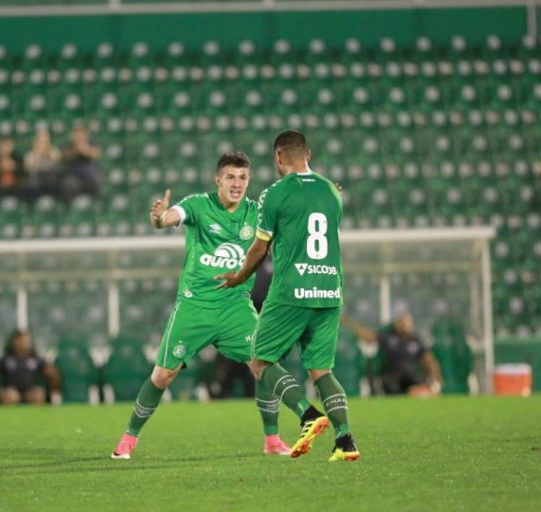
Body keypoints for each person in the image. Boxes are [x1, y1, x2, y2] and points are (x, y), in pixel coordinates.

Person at [111, 151, 292, 460]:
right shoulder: (198, 204)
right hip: (196, 306)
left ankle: (272, 439)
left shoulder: (257, 212)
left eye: (243, 178)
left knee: (264, 363)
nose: (237, 184)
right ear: (217, 179)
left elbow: (290, 223)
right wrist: (158, 216)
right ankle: (129, 437)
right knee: (162, 375)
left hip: (236, 305)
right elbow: (169, 218)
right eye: (230, 177)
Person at [216, 130, 360, 462]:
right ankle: (345, 441)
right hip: (329, 291)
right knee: (321, 371)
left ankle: (308, 416)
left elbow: (259, 248)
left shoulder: (275, 194)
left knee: (261, 361)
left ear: (279, 158)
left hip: (292, 291)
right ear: (307, 153)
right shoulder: (332, 191)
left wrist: (239, 276)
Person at [342, 312, 443, 396]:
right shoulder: (389, 337)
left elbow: (430, 361)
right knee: (393, 391)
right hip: (391, 378)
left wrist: (437, 380)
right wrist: (349, 323)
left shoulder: (416, 341)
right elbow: (369, 336)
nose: (404, 326)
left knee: (419, 390)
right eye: (401, 322)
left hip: (411, 377)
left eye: (406, 323)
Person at [0, 329, 60, 405]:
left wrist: (54, 393)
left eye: (27, 341)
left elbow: (51, 372)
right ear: (15, 342)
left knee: (37, 396)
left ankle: (36, 419)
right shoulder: (7, 358)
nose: (25, 344)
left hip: (30, 391)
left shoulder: (35, 358)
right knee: (10, 396)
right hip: (11, 391)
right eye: (22, 341)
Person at [61, 122, 102, 201]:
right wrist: (76, 149)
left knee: (97, 180)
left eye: (81, 132)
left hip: (90, 176)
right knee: (67, 183)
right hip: (73, 176)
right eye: (76, 132)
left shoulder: (92, 143)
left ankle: (98, 206)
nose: (79, 135)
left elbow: (96, 154)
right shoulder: (68, 145)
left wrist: (84, 149)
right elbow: (65, 156)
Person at [23, 128, 61, 200]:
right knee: (32, 179)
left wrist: (47, 152)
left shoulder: (54, 151)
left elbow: (57, 160)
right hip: (37, 181)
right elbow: (28, 167)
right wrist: (38, 153)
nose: (43, 144)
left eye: (45, 141)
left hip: (51, 181)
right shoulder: (30, 154)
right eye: (41, 141)